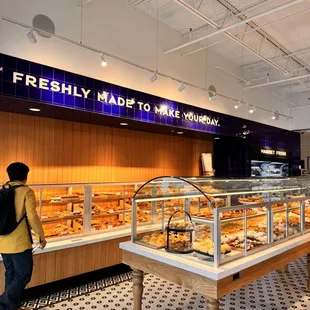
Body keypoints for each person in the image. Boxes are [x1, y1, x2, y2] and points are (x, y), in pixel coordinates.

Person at [0, 162, 46, 310]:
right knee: (24, 274)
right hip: (19, 242)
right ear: (25, 176)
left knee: (11, 273)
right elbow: (32, 216)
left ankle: (12, 305)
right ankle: (4, 303)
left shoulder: (2, 189)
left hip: (3, 241)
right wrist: (41, 236)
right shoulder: (26, 191)